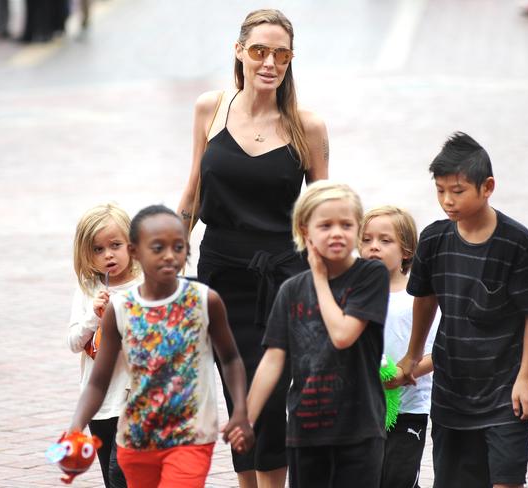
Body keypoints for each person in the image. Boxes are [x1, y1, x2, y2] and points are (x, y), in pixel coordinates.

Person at [176, 8, 328, 488]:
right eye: (259, 50)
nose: (269, 62)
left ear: (290, 60)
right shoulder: (211, 108)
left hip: (284, 276)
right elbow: (194, 192)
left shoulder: (308, 126)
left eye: (281, 54)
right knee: (238, 392)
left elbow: (324, 213)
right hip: (220, 272)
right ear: (239, 51)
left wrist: (337, 282)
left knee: (274, 395)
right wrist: (165, 268)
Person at [398, 132, 528, 488]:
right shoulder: (435, 240)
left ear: (487, 187)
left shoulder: (516, 243)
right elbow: (425, 299)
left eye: (457, 191)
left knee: (506, 478)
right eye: (440, 190)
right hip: (451, 393)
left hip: (504, 393)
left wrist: (526, 379)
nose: (447, 200)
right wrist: (412, 355)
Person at [67, 205, 254, 488]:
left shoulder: (205, 301)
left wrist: (240, 411)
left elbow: (229, 359)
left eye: (177, 247)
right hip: (131, 428)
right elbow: (99, 379)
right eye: (157, 247)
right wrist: (75, 426)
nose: (168, 255)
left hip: (186, 429)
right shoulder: (121, 306)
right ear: (137, 251)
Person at [244, 181, 390, 488]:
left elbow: (342, 335)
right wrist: (246, 419)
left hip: (359, 429)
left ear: (357, 228)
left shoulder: (370, 275)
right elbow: (273, 359)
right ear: (305, 230)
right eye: (325, 225)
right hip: (305, 431)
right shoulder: (291, 289)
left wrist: (320, 280)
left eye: (346, 224)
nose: (337, 232)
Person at [358, 206, 439, 488]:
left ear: (406, 250)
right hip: (363, 407)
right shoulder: (353, 294)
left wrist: (404, 374)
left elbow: (437, 351)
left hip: (409, 408)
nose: (374, 247)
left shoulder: (418, 298)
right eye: (366, 240)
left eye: (385, 240)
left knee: (397, 478)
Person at [68, 203, 141, 488]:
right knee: (113, 478)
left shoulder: (146, 284)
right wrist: (94, 316)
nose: (108, 254)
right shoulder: (89, 289)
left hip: (136, 397)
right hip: (100, 402)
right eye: (98, 249)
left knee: (121, 473)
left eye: (115, 245)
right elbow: (74, 342)